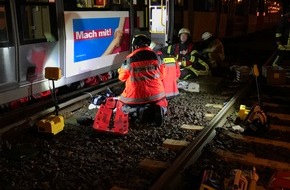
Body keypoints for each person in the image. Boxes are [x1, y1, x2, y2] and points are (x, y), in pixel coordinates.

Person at [118, 34, 168, 126]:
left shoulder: (129, 59)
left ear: (135, 46)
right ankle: (160, 110)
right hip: (157, 94)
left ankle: (142, 113)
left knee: (122, 107)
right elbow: (162, 75)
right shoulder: (157, 56)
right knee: (162, 103)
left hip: (136, 95)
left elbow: (122, 77)